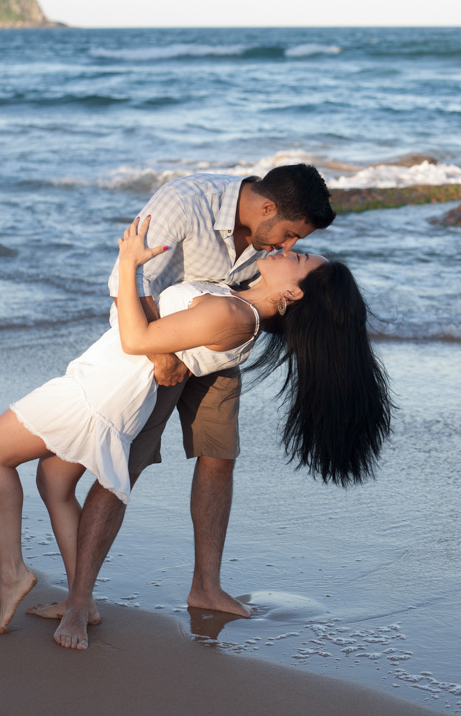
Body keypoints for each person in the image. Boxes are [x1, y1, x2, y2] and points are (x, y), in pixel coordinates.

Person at [0, 216, 392, 649]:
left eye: (298, 256)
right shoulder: (239, 303)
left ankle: (14, 572)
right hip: (103, 383)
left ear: (293, 292)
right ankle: (84, 602)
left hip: (96, 393)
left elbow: (137, 341)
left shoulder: (232, 313)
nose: (287, 250)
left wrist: (128, 263)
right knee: (54, 482)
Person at [29, 165, 336, 630]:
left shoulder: (270, 244)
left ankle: (205, 585)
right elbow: (125, 284)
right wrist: (159, 357)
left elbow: (274, 301)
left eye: (296, 243)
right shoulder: (185, 202)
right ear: (267, 208)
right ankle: (80, 599)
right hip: (162, 348)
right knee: (123, 468)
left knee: (219, 456)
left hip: (225, 341)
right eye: (290, 234)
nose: (287, 246)